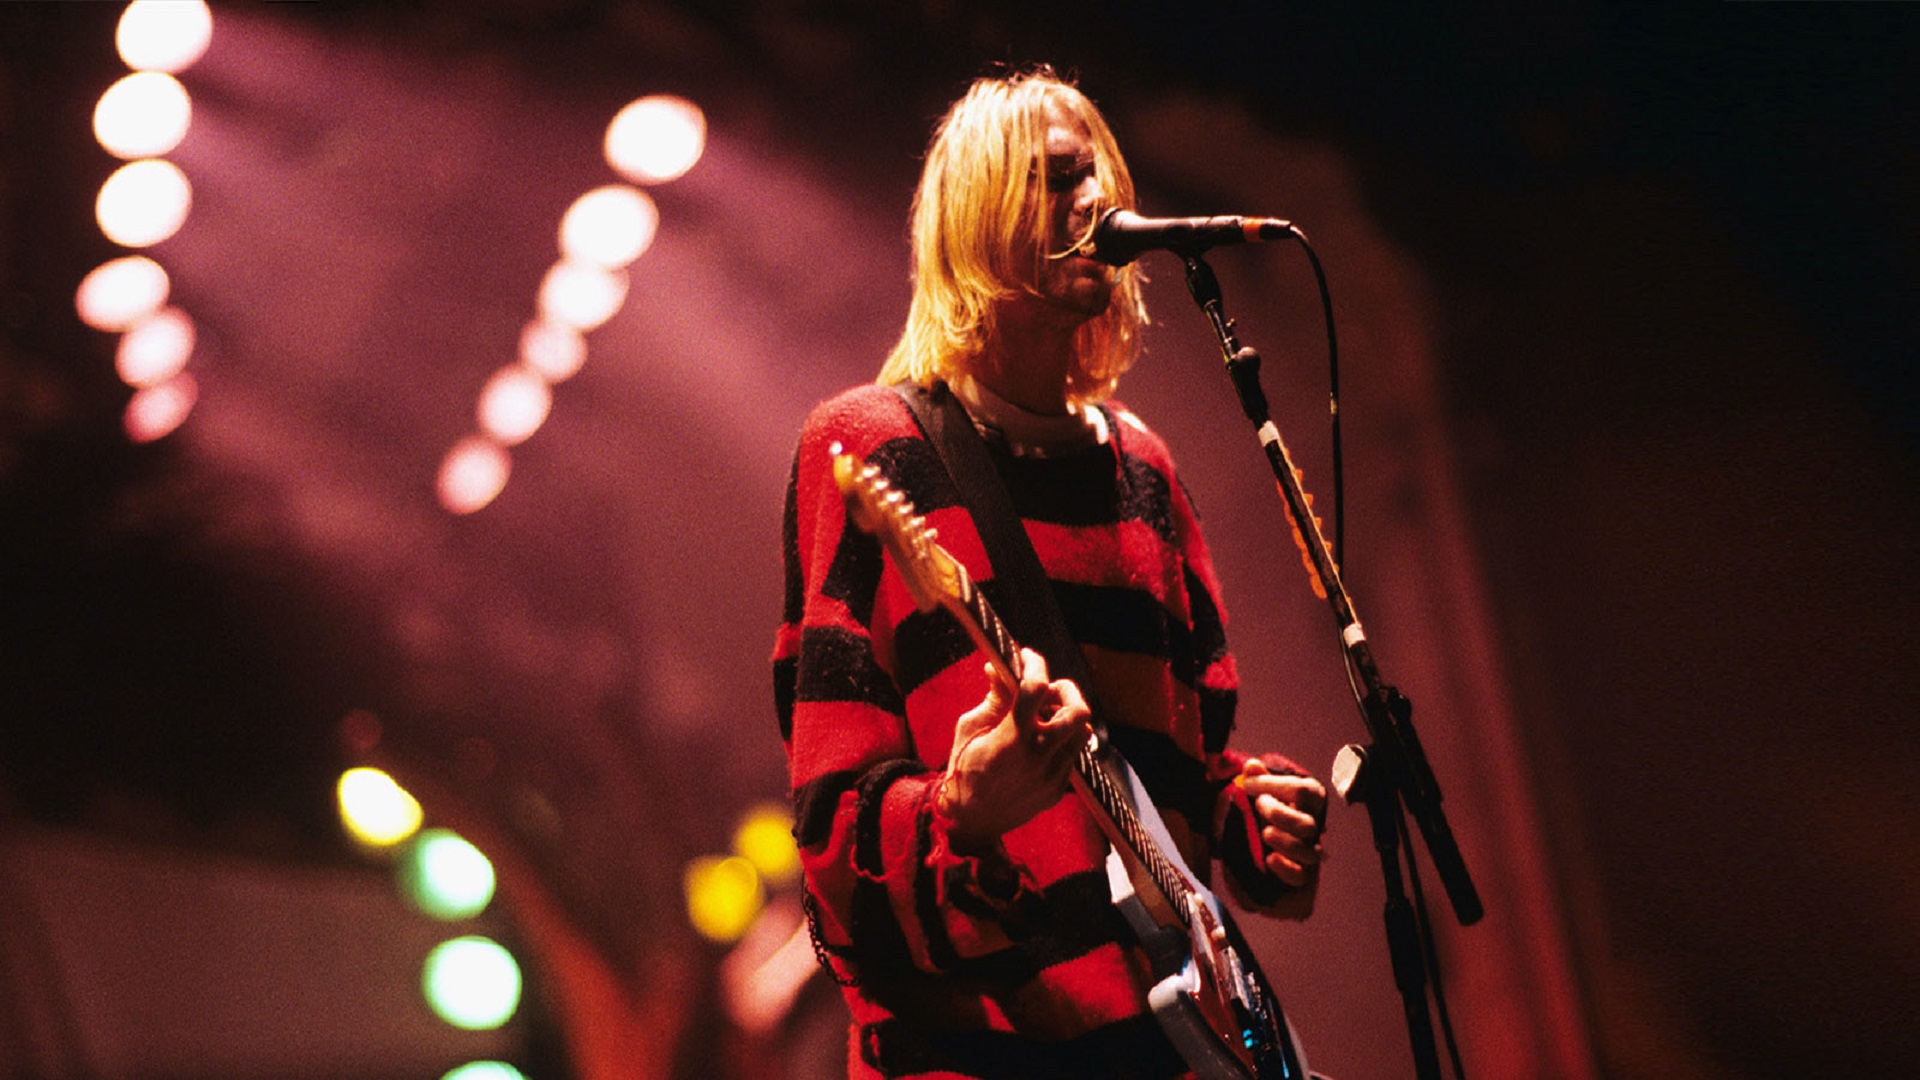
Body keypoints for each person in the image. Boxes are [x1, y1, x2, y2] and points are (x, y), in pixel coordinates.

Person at [773, 66, 1328, 1079]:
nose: (1099, 206)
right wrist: (962, 813)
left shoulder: (1143, 469)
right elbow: (827, 823)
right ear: (979, 215)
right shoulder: (872, 449)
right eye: (1056, 181)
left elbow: (1188, 778)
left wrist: (1255, 821)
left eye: (1100, 178)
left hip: (1168, 1047)